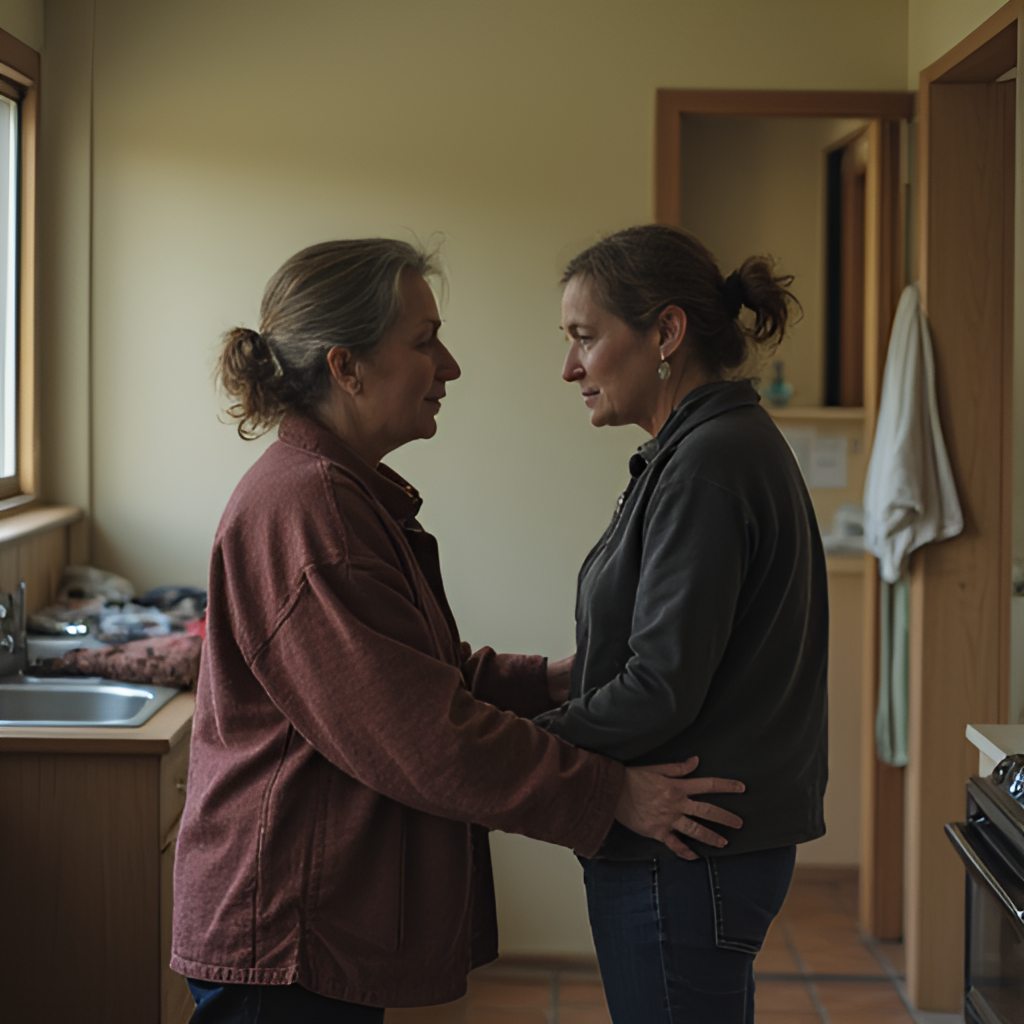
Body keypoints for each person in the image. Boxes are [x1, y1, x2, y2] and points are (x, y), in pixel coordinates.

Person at [170, 238, 746, 1024]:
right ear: (346, 367)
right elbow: (420, 732)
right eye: (424, 342)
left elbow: (419, 675)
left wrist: (558, 678)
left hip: (309, 924)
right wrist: (609, 792)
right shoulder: (310, 513)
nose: (450, 366)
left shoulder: (336, 493)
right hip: (288, 932)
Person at [534, 224, 829, 1024]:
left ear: (665, 332)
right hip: (695, 850)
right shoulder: (701, 450)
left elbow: (658, 685)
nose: (569, 368)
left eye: (584, 337)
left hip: (683, 850)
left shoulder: (708, 463)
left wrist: (522, 746)